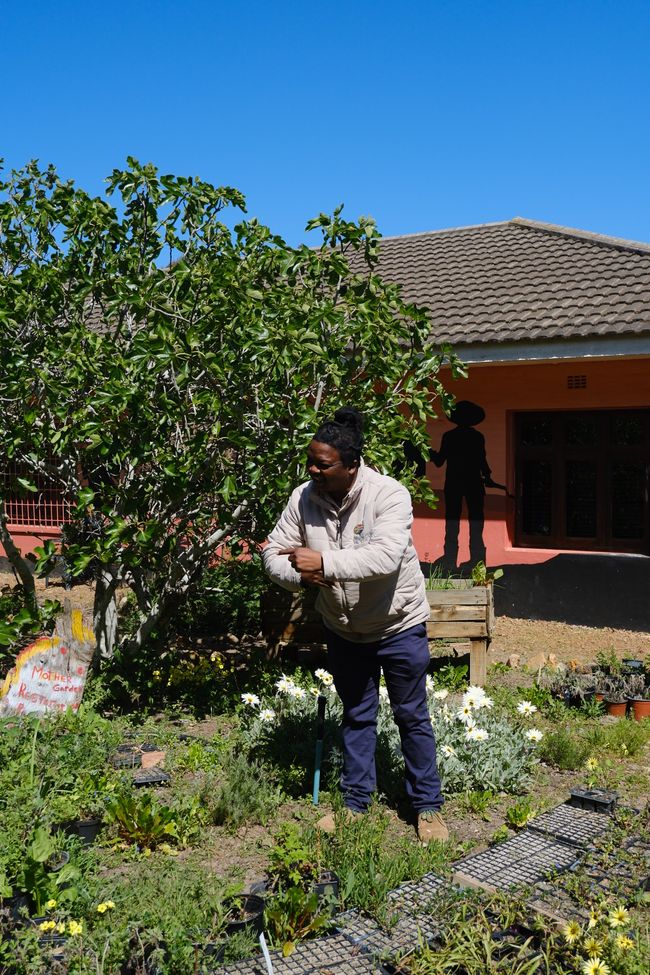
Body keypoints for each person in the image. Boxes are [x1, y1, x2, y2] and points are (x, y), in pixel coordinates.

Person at [262, 407, 447, 844]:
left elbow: (385, 557)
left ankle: (428, 808)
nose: (313, 470)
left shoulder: (389, 495)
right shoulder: (302, 498)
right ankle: (355, 806)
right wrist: (299, 574)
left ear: (350, 464)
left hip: (397, 625)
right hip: (343, 628)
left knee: (412, 717)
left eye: (323, 464)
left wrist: (324, 561)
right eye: (311, 461)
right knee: (358, 716)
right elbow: (273, 553)